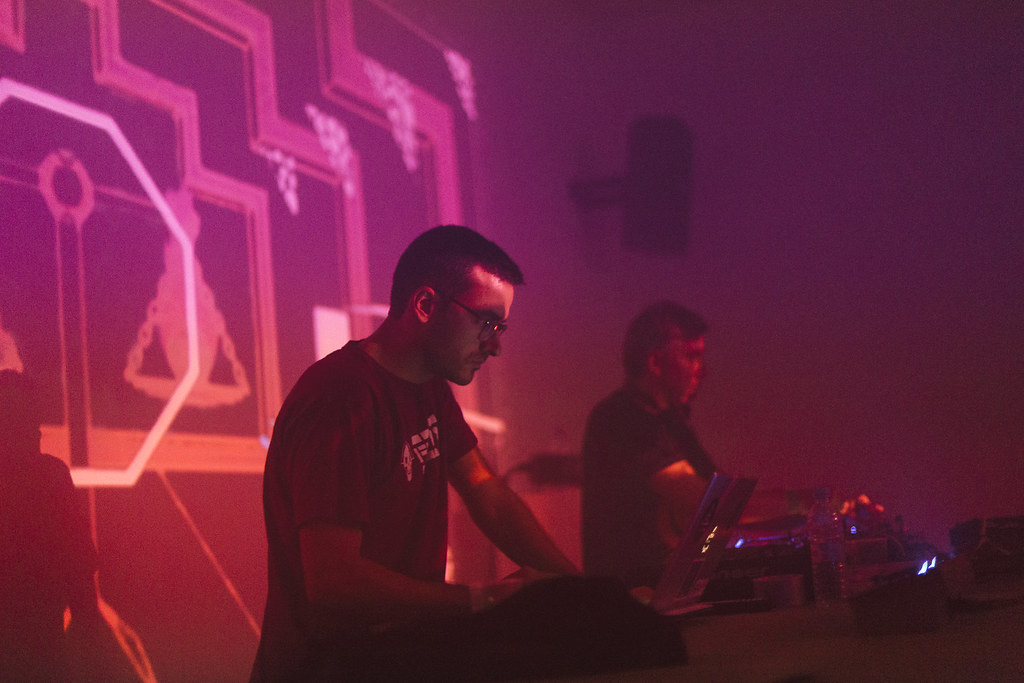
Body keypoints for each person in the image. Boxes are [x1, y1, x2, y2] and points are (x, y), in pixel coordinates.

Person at [251, 225, 579, 681]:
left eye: (500, 327)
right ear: (425, 305)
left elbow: (487, 494)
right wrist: (481, 600)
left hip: (391, 662)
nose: (496, 346)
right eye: (486, 323)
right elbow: (332, 580)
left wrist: (580, 591)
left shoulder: (428, 389)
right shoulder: (340, 398)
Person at [581, 301, 718, 589]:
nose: (701, 371)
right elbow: (710, 502)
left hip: (663, 593)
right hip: (630, 600)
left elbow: (719, 494)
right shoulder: (619, 418)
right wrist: (796, 504)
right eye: (691, 357)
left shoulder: (673, 423)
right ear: (655, 362)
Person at [0, 369, 119, 681]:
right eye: (29, 423)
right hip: (45, 653)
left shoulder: (52, 478)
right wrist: (95, 655)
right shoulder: (52, 478)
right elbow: (80, 577)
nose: (37, 433)